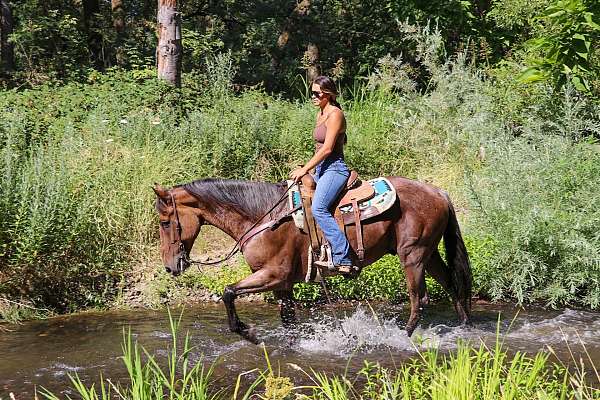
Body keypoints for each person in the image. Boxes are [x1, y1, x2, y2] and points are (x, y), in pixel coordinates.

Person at [290, 75, 353, 269]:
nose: (313, 97)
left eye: (317, 93)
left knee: (318, 208)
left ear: (328, 94)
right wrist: (308, 168)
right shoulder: (321, 113)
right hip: (321, 169)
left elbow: (327, 149)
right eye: (312, 93)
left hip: (335, 169)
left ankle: (343, 257)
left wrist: (304, 169)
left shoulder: (335, 114)